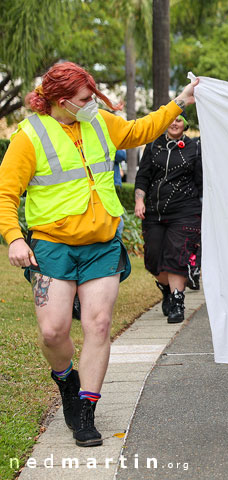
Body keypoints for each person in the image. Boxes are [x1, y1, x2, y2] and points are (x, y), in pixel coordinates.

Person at [0, 61, 198, 447]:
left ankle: (86, 410)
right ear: (61, 101)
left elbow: (140, 130)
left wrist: (181, 101)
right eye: (85, 99)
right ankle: (66, 380)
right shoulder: (29, 136)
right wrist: (14, 238)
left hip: (101, 245)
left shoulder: (100, 123)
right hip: (52, 246)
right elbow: (6, 193)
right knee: (53, 330)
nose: (93, 103)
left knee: (98, 324)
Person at [134, 113, 202, 323]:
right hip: (154, 212)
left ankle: (177, 301)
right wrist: (139, 200)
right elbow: (143, 176)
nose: (174, 123)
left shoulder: (195, 148)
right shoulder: (154, 147)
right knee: (153, 260)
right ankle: (166, 289)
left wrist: (205, 208)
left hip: (185, 211)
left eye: (179, 119)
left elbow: (201, 181)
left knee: (176, 255)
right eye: (171, 119)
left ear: (185, 124)